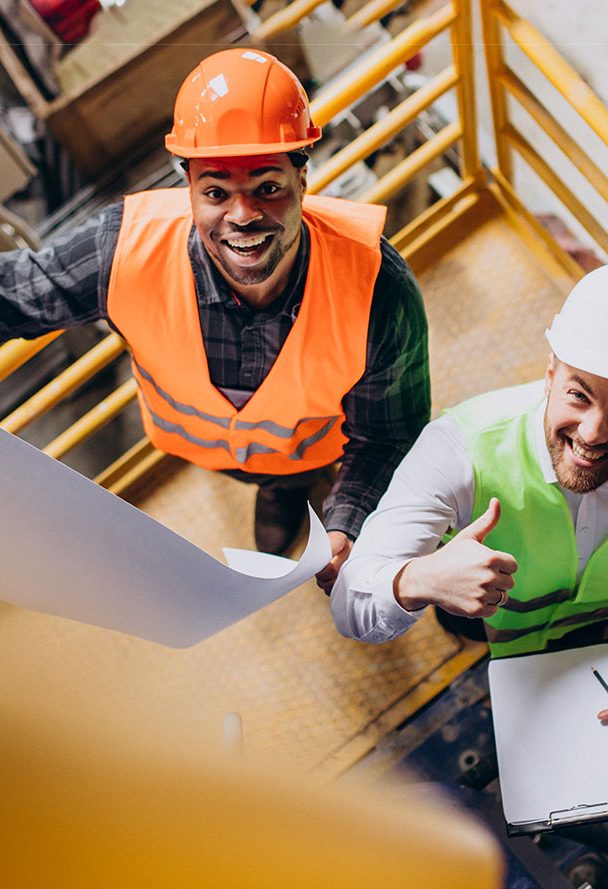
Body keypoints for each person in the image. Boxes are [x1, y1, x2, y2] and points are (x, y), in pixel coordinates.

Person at [0, 49, 430, 588]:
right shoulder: (122, 250)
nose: (243, 216)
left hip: (307, 448)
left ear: (303, 178)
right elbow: (12, 294)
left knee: (297, 479)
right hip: (204, 449)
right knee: (260, 477)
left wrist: (346, 524)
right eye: (216, 192)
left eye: (267, 187)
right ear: (189, 188)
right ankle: (272, 490)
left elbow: (386, 437)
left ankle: (289, 489)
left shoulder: (378, 289)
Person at [331, 262, 608, 721]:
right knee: (460, 623)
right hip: (480, 615)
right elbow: (350, 602)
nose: (593, 434)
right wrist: (424, 580)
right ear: (549, 374)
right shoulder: (458, 450)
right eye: (579, 396)